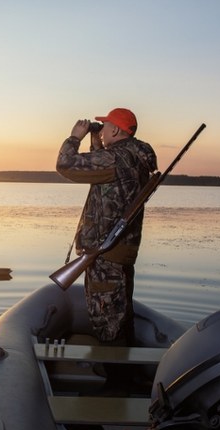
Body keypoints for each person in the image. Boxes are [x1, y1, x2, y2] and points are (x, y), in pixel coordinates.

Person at [55, 108, 157, 347]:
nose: (101, 130)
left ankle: (116, 380)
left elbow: (65, 164)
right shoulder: (134, 156)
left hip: (105, 254)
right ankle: (123, 372)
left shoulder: (114, 158)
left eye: (105, 126)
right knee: (121, 313)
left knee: (108, 319)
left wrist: (74, 137)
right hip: (121, 250)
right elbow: (103, 176)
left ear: (116, 130)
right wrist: (96, 142)